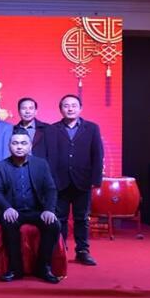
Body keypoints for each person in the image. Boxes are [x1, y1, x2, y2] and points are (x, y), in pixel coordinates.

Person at [0, 128, 61, 284]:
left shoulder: (41, 164)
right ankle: (15, 269)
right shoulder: (0, 166)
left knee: (53, 224)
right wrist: (7, 207)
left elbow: (50, 189)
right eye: (15, 143)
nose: (19, 146)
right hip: (14, 211)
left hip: (37, 210)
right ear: (9, 146)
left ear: (30, 146)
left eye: (23, 143)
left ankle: (43, 267)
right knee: (9, 223)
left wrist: (49, 210)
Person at [50, 94, 104, 266]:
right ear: (60, 109)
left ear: (80, 108)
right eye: (66, 105)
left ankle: (82, 251)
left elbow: (98, 154)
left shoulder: (92, 128)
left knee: (82, 218)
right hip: (59, 181)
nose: (70, 108)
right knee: (60, 218)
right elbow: (50, 157)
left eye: (74, 105)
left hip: (83, 180)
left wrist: (96, 180)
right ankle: (60, 250)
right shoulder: (53, 129)